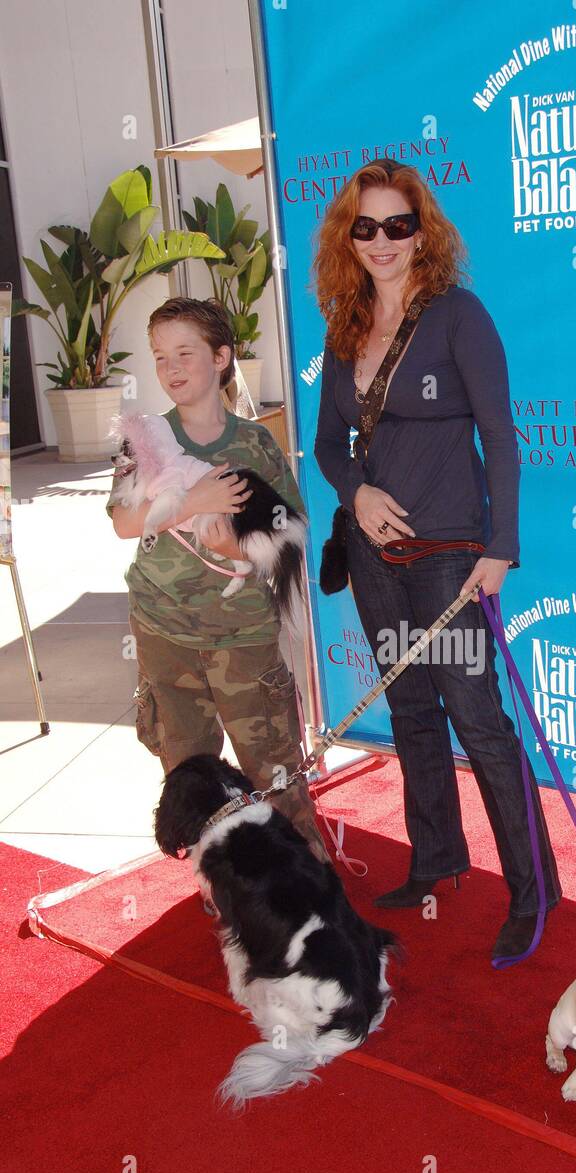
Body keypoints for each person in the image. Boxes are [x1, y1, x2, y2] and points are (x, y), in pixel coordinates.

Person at [312, 159, 561, 960]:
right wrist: (355, 494)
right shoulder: (344, 323)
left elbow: (501, 437)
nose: (382, 241)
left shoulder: (459, 316)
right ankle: (436, 858)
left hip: (450, 555)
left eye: (398, 225)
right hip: (373, 554)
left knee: (478, 721)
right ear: (347, 238)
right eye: (366, 227)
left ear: (423, 232)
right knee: (410, 710)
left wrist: (502, 546)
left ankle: (534, 890)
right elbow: (325, 441)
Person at [107, 296, 329, 865]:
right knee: (190, 774)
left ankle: (308, 882)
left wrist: (231, 543)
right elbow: (124, 521)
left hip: (243, 637)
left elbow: (290, 537)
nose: (173, 368)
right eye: (161, 357)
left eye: (186, 352)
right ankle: (223, 882)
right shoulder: (146, 438)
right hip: (163, 631)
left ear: (222, 357)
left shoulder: (254, 443)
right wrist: (194, 502)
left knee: (275, 769)